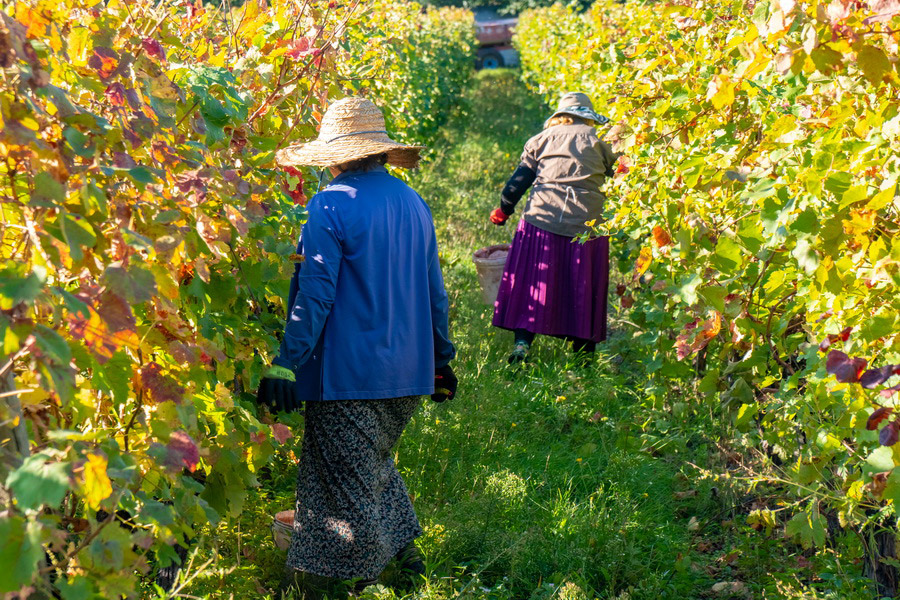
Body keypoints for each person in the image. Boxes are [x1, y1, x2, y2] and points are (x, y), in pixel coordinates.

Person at [254, 97, 457, 597]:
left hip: (348, 374)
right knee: (371, 469)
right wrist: (442, 359)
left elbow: (316, 295)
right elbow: (435, 290)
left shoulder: (329, 205)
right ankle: (409, 562)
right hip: (408, 372)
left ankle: (351, 582)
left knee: (343, 488)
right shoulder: (413, 203)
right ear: (380, 153)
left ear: (336, 156)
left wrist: (286, 361)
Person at [489, 92, 617, 365]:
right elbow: (624, 177)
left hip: (541, 221)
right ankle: (583, 358)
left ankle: (522, 344)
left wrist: (503, 210)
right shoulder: (601, 141)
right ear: (588, 117)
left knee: (530, 282)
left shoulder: (541, 139)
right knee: (582, 286)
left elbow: (517, 183)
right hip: (587, 227)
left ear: (560, 116)